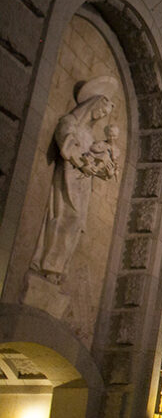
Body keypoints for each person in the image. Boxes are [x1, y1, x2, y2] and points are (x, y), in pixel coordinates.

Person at [30, 75, 121, 283]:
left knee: (77, 223)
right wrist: (82, 161)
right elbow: (66, 143)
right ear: (92, 105)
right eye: (101, 110)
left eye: (105, 114)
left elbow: (95, 160)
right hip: (68, 180)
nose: (101, 116)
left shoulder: (91, 136)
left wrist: (102, 168)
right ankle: (49, 266)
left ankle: (58, 269)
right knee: (66, 218)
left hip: (82, 184)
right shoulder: (71, 122)